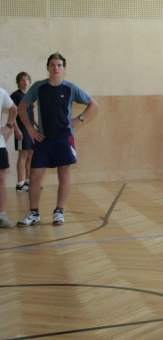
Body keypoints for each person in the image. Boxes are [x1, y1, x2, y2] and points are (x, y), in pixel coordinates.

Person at [16, 52, 98, 227]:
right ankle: (34, 213)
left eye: (59, 65)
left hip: (64, 139)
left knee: (64, 176)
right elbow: (21, 108)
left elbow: (93, 104)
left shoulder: (70, 88)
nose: (56, 68)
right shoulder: (38, 87)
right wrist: (30, 128)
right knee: (35, 176)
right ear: (47, 67)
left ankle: (59, 211)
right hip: (43, 139)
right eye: (52, 65)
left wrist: (78, 119)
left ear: (64, 68)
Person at [11, 72, 36, 193]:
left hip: (30, 131)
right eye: (22, 80)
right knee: (23, 155)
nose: (25, 82)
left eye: (27, 79)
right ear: (18, 82)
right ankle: (20, 184)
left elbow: (31, 113)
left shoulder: (30, 96)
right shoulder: (15, 95)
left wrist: (36, 124)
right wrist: (16, 129)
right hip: (21, 130)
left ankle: (28, 181)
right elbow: (13, 115)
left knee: (31, 154)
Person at [1, 87, 21, 228]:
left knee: (1, 178)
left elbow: (14, 109)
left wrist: (9, 126)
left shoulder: (0, 92)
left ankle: (1, 216)